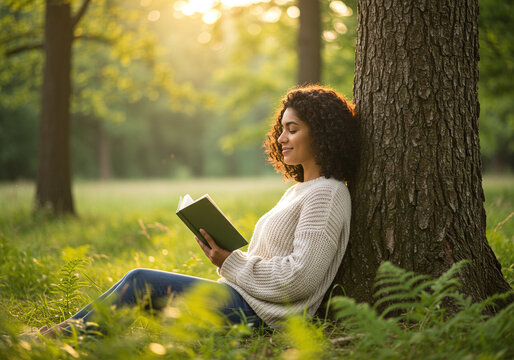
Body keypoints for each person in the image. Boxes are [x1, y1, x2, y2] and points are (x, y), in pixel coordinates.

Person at [39, 85, 360, 337]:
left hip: (261, 316)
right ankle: (63, 335)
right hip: (244, 301)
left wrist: (229, 261)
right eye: (282, 128)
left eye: (292, 129)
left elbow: (300, 279)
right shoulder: (300, 190)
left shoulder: (327, 194)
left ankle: (58, 339)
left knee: (140, 282)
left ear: (320, 132)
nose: (281, 137)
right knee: (137, 285)